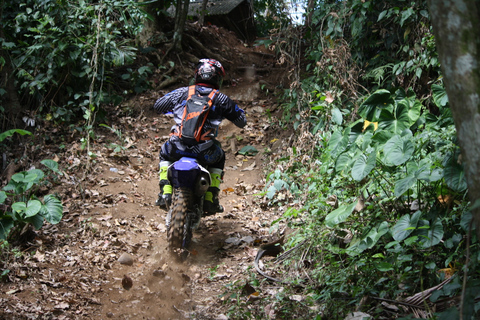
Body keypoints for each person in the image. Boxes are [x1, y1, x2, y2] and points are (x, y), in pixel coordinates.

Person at [153, 58, 247, 214]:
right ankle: (211, 198)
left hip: (177, 147)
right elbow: (241, 122)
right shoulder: (221, 98)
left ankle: (165, 191)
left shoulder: (183, 92)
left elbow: (158, 106)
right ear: (218, 77)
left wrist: (174, 109)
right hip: (205, 152)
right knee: (220, 156)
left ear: (197, 74)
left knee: (164, 152)